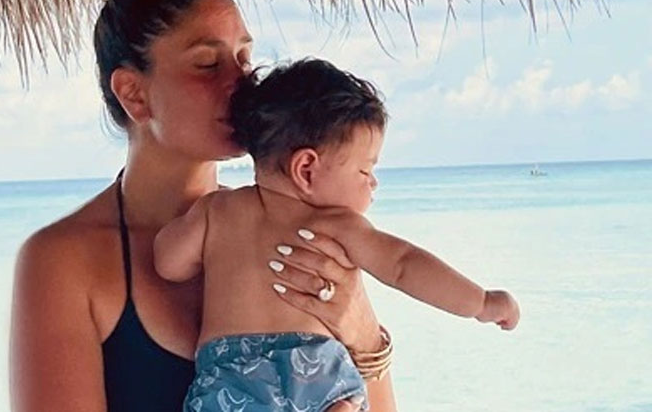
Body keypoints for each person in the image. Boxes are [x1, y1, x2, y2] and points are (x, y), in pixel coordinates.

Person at [9, 0, 397, 412]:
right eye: (208, 65)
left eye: (244, 58)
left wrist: (363, 334)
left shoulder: (295, 217)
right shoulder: (64, 261)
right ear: (134, 93)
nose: (242, 82)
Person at [154, 59, 520, 411]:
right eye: (365, 170)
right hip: (314, 382)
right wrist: (481, 303)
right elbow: (405, 266)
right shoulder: (338, 227)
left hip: (231, 384)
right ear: (306, 169)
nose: (373, 183)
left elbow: (168, 264)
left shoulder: (218, 210)